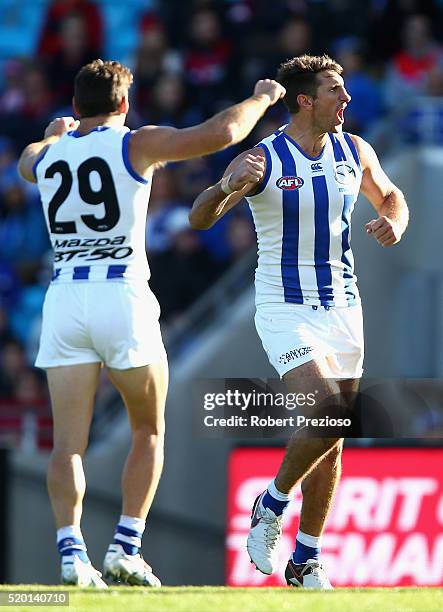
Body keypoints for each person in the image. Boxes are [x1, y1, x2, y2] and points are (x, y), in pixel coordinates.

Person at [17, 59, 285, 588]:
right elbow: (222, 134)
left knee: (67, 444)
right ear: (123, 105)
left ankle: (71, 553)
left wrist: (52, 136)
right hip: (120, 294)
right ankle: (125, 547)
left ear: (74, 108)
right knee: (148, 429)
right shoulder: (134, 143)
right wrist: (263, 98)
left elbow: (26, 160)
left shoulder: (46, 157)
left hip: (65, 296)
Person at [189, 54, 409, 589]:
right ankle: (271, 504)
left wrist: (394, 221)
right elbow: (199, 217)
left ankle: (306, 558)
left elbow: (392, 196)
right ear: (306, 99)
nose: (347, 99)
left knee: (333, 436)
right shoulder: (263, 159)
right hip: (284, 307)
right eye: (336, 90)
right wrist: (223, 188)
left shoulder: (354, 150)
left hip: (343, 306)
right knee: (330, 411)